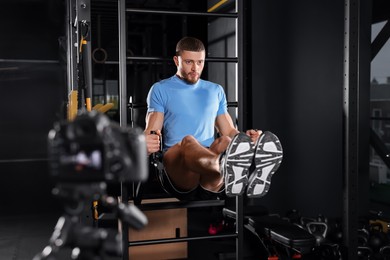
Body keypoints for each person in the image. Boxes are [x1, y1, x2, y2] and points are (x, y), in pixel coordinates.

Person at [144, 36, 283, 200]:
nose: (195, 68)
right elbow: (152, 130)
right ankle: (225, 166)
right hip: (179, 172)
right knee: (189, 141)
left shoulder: (215, 90)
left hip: (209, 180)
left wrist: (247, 140)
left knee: (226, 141)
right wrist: (145, 142)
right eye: (189, 62)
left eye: (200, 62)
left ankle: (231, 164)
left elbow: (229, 130)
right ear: (176, 60)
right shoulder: (161, 89)